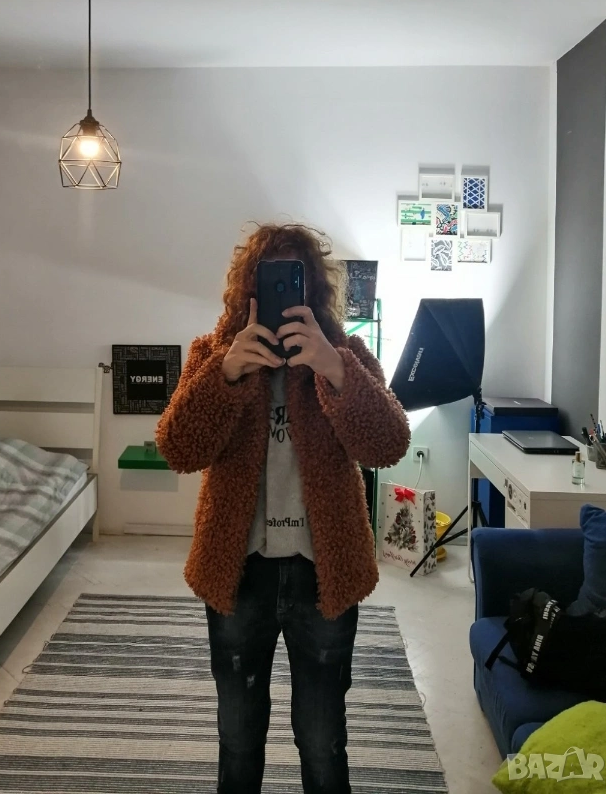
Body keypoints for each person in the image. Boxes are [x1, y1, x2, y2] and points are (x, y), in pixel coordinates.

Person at [156, 222, 410, 794]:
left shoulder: (345, 357)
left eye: (295, 282)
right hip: (238, 573)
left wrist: (334, 368)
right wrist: (226, 374)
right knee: (238, 736)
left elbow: (388, 445)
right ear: (247, 291)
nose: (281, 295)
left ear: (313, 293)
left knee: (322, 740)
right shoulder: (214, 356)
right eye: (268, 282)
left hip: (324, 573)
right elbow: (178, 448)